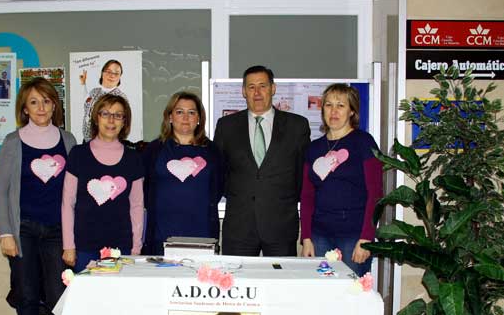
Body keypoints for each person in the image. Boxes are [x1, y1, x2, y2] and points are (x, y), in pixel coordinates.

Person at [0, 77, 77, 315]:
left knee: (60, 298)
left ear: (54, 105)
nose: (41, 108)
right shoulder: (13, 142)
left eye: (46, 101)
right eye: (33, 102)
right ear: (24, 109)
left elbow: (74, 192)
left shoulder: (68, 141)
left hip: (58, 232)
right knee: (27, 296)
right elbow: (0, 192)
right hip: (23, 229)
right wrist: (5, 233)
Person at [214, 65, 310, 256]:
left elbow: (302, 175)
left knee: (281, 284)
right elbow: (220, 172)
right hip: (239, 227)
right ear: (243, 91)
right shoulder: (227, 126)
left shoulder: (296, 126)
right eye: (251, 87)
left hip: (281, 226)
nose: (257, 93)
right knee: (236, 283)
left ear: (273, 89)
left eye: (263, 86)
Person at [300, 83, 383, 276]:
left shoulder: (364, 142)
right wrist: (306, 238)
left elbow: (375, 194)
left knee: (351, 294)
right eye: (328, 105)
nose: (334, 111)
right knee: (323, 294)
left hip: (354, 236)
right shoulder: (313, 148)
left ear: (352, 111)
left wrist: (366, 238)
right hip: (319, 235)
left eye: (341, 105)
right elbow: (307, 196)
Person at [62, 94, 144, 272]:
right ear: (96, 118)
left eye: (118, 115)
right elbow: (67, 203)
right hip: (84, 246)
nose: (111, 120)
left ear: (125, 121)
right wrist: (68, 245)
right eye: (105, 113)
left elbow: (137, 206)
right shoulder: (78, 154)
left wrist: (136, 247)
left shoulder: (134, 159)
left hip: (121, 246)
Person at [142, 91, 224, 255]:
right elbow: (145, 189)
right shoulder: (153, 150)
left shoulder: (213, 151)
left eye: (191, 112)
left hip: (202, 232)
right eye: (179, 112)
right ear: (170, 117)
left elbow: (219, 186)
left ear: (199, 118)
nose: (185, 118)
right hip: (162, 233)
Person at [80, 59, 128, 142]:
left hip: (107, 143)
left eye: (116, 73)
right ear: (102, 73)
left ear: (120, 77)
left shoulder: (120, 98)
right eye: (109, 72)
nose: (112, 75)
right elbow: (86, 102)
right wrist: (83, 83)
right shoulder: (95, 91)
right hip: (87, 142)